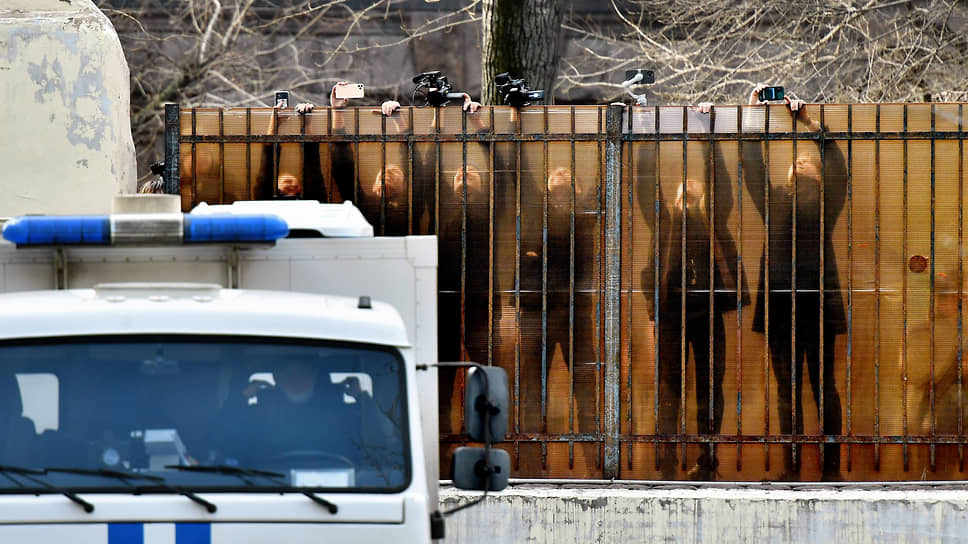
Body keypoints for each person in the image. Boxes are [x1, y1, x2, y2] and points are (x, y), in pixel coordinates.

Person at [636, 104, 749, 480]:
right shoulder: (664, 225)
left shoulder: (713, 223)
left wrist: (708, 139)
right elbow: (644, 184)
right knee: (669, 387)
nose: (691, 192)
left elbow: (722, 187)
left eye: (696, 191)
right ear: (673, 200)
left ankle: (708, 460)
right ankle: (666, 460)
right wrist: (648, 135)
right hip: (671, 314)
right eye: (684, 191)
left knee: (709, 389)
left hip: (708, 314)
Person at [740, 84, 847, 481]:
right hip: (783, 304)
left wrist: (808, 124)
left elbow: (839, 170)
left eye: (808, 162)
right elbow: (752, 168)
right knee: (787, 390)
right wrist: (753, 113)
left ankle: (831, 470)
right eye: (797, 161)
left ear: (818, 177)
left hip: (817, 302)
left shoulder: (826, 205)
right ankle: (791, 469)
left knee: (824, 387)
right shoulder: (774, 203)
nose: (801, 163)